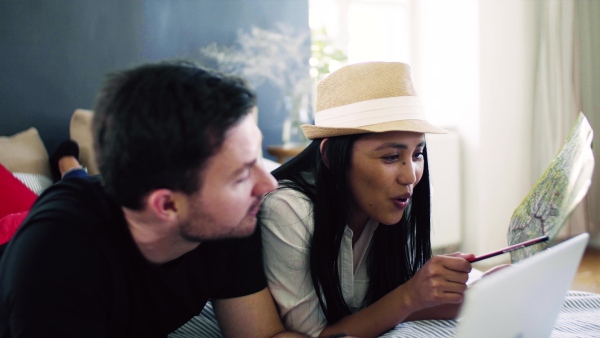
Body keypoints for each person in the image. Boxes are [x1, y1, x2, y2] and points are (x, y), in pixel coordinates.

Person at [0, 62, 304, 338]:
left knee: (79, 181)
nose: (269, 185)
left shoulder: (229, 220)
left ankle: (69, 166)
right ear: (168, 205)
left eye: (257, 162)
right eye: (241, 177)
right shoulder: (57, 262)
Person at [260, 61, 476, 337]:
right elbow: (317, 335)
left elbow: (384, 308)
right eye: (390, 157)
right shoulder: (288, 210)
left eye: (417, 154)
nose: (411, 176)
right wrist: (409, 295)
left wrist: (480, 293)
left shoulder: (394, 201)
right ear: (330, 156)